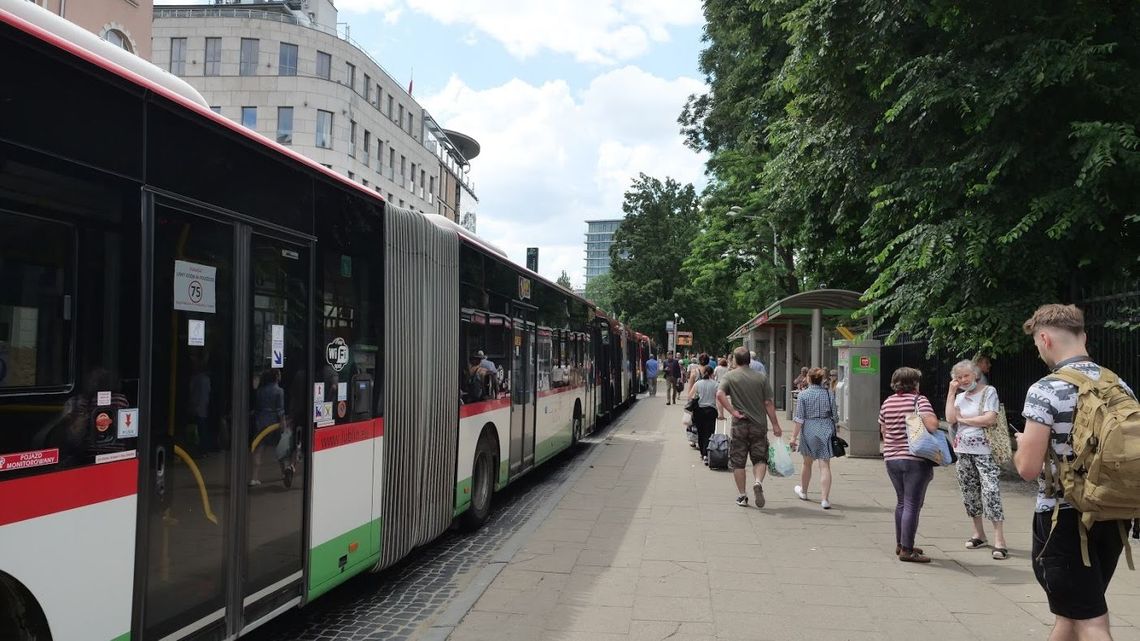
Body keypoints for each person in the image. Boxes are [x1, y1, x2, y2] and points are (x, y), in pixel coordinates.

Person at [1015, 304, 1134, 640]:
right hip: (1113, 512)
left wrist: (1024, 442)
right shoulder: (1119, 385)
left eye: (1037, 344)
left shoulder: (1046, 389)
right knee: (1070, 614)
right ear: (1083, 335)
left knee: (1092, 622)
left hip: (1063, 520)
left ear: (1044, 338)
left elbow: (1027, 468)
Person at [945, 359, 1007, 559]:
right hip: (963, 450)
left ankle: (999, 540)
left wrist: (964, 419)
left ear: (975, 375)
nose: (963, 380)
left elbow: (989, 418)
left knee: (991, 491)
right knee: (969, 492)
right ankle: (979, 533)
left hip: (985, 451)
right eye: (958, 377)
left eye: (966, 376)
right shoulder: (960, 396)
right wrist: (951, 393)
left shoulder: (989, 392)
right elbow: (949, 419)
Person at [879, 366, 940, 562]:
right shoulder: (919, 400)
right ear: (914, 383)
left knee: (902, 502)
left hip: (892, 458)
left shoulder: (888, 402)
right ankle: (907, 550)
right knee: (913, 504)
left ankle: (901, 543)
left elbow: (884, 431)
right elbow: (932, 425)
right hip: (915, 458)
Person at [717, 347, 783, 508]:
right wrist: (775, 425)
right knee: (760, 458)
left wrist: (733, 411)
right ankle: (758, 482)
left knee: (738, 462)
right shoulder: (761, 378)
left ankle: (742, 495)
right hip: (759, 424)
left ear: (735, 360)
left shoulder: (730, 376)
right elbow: (768, 403)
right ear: (749, 360)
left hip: (740, 424)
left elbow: (719, 394)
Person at [790, 367, 837, 509]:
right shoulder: (829, 394)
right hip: (825, 427)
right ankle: (825, 499)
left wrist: (793, 437)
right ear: (822, 379)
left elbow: (799, 419)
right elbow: (835, 415)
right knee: (825, 465)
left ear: (809, 379)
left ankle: (804, 491)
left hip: (809, 428)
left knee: (807, 463)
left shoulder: (803, 395)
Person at [251, 368, 286, 487]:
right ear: (276, 376)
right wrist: (283, 424)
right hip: (273, 423)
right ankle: (284, 473)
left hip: (260, 422)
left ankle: (254, 477)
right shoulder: (279, 391)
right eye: (279, 374)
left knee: (259, 450)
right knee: (280, 449)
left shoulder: (260, 390)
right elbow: (280, 410)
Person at [691, 366, 719, 464]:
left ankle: (703, 453)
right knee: (709, 433)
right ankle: (707, 454)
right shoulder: (716, 384)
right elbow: (719, 399)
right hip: (711, 411)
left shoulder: (698, 383)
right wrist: (721, 413)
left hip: (699, 411)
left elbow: (690, 395)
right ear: (712, 374)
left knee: (701, 432)